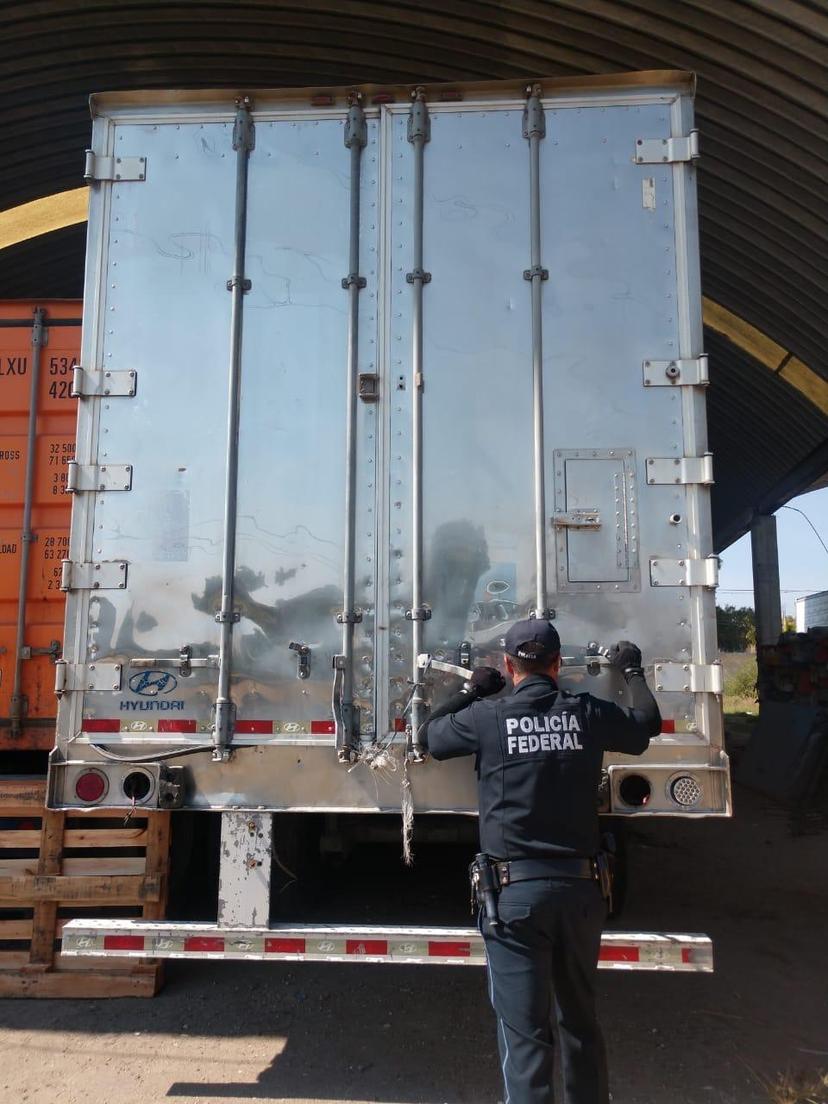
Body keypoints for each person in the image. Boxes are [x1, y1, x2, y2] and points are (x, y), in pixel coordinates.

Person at [423, 619, 661, 1104]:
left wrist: (473, 690)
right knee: (580, 1024)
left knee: (527, 1038)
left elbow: (429, 737)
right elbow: (645, 727)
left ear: (510, 666)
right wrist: (631, 670)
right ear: (557, 665)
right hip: (580, 893)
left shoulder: (489, 717)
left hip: (514, 899)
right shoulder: (586, 712)